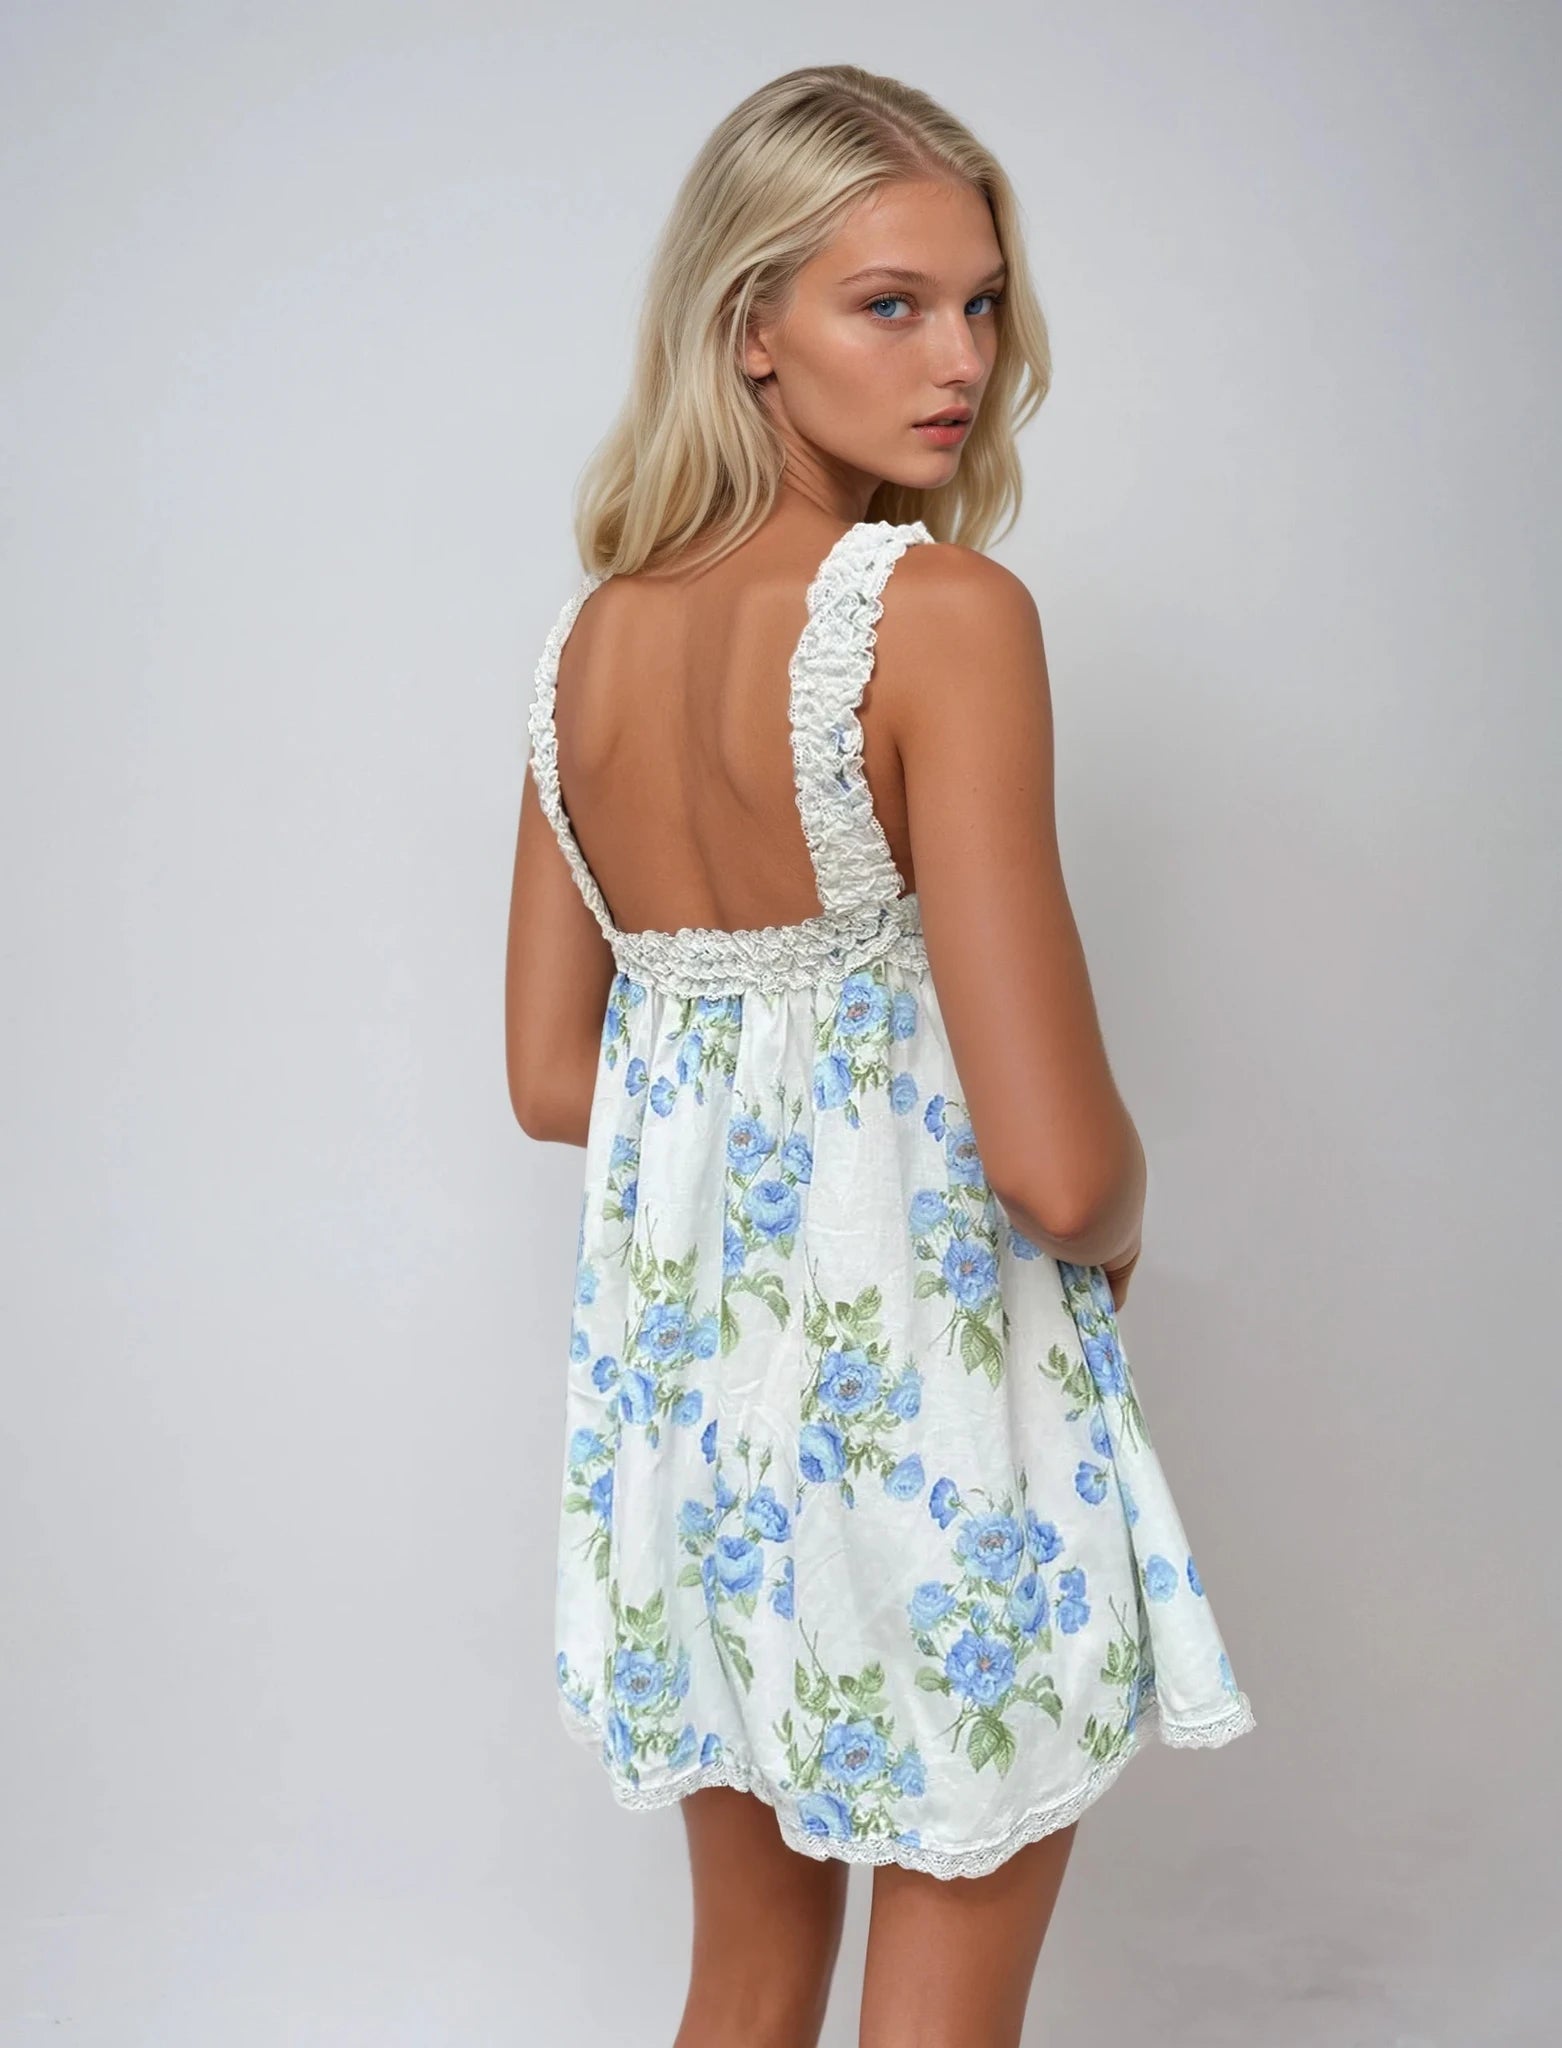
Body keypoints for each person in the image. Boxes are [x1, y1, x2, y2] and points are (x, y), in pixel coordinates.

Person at [505, 62, 1255, 2048]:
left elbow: (554, 1078)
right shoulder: (944, 618)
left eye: (981, 302)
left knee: (744, 1991)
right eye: (890, 303)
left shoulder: (588, 644)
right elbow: (1059, 1170)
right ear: (747, 324)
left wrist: (758, 1103)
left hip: (699, 1430)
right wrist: (1117, 1224)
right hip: (924, 1411)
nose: (961, 361)